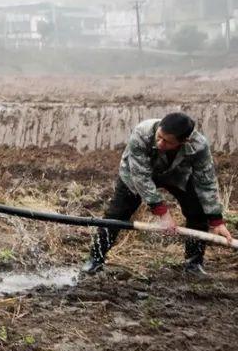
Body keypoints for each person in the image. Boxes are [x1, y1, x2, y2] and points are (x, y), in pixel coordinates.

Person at [82, 112, 232, 276]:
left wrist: (217, 221)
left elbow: (206, 181)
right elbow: (140, 176)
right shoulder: (142, 133)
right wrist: (162, 213)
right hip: (136, 174)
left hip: (177, 174)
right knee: (116, 214)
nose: (160, 143)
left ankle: (193, 264)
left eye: (167, 142)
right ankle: (95, 259)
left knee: (198, 213)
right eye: (159, 137)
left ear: (184, 141)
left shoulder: (199, 146)